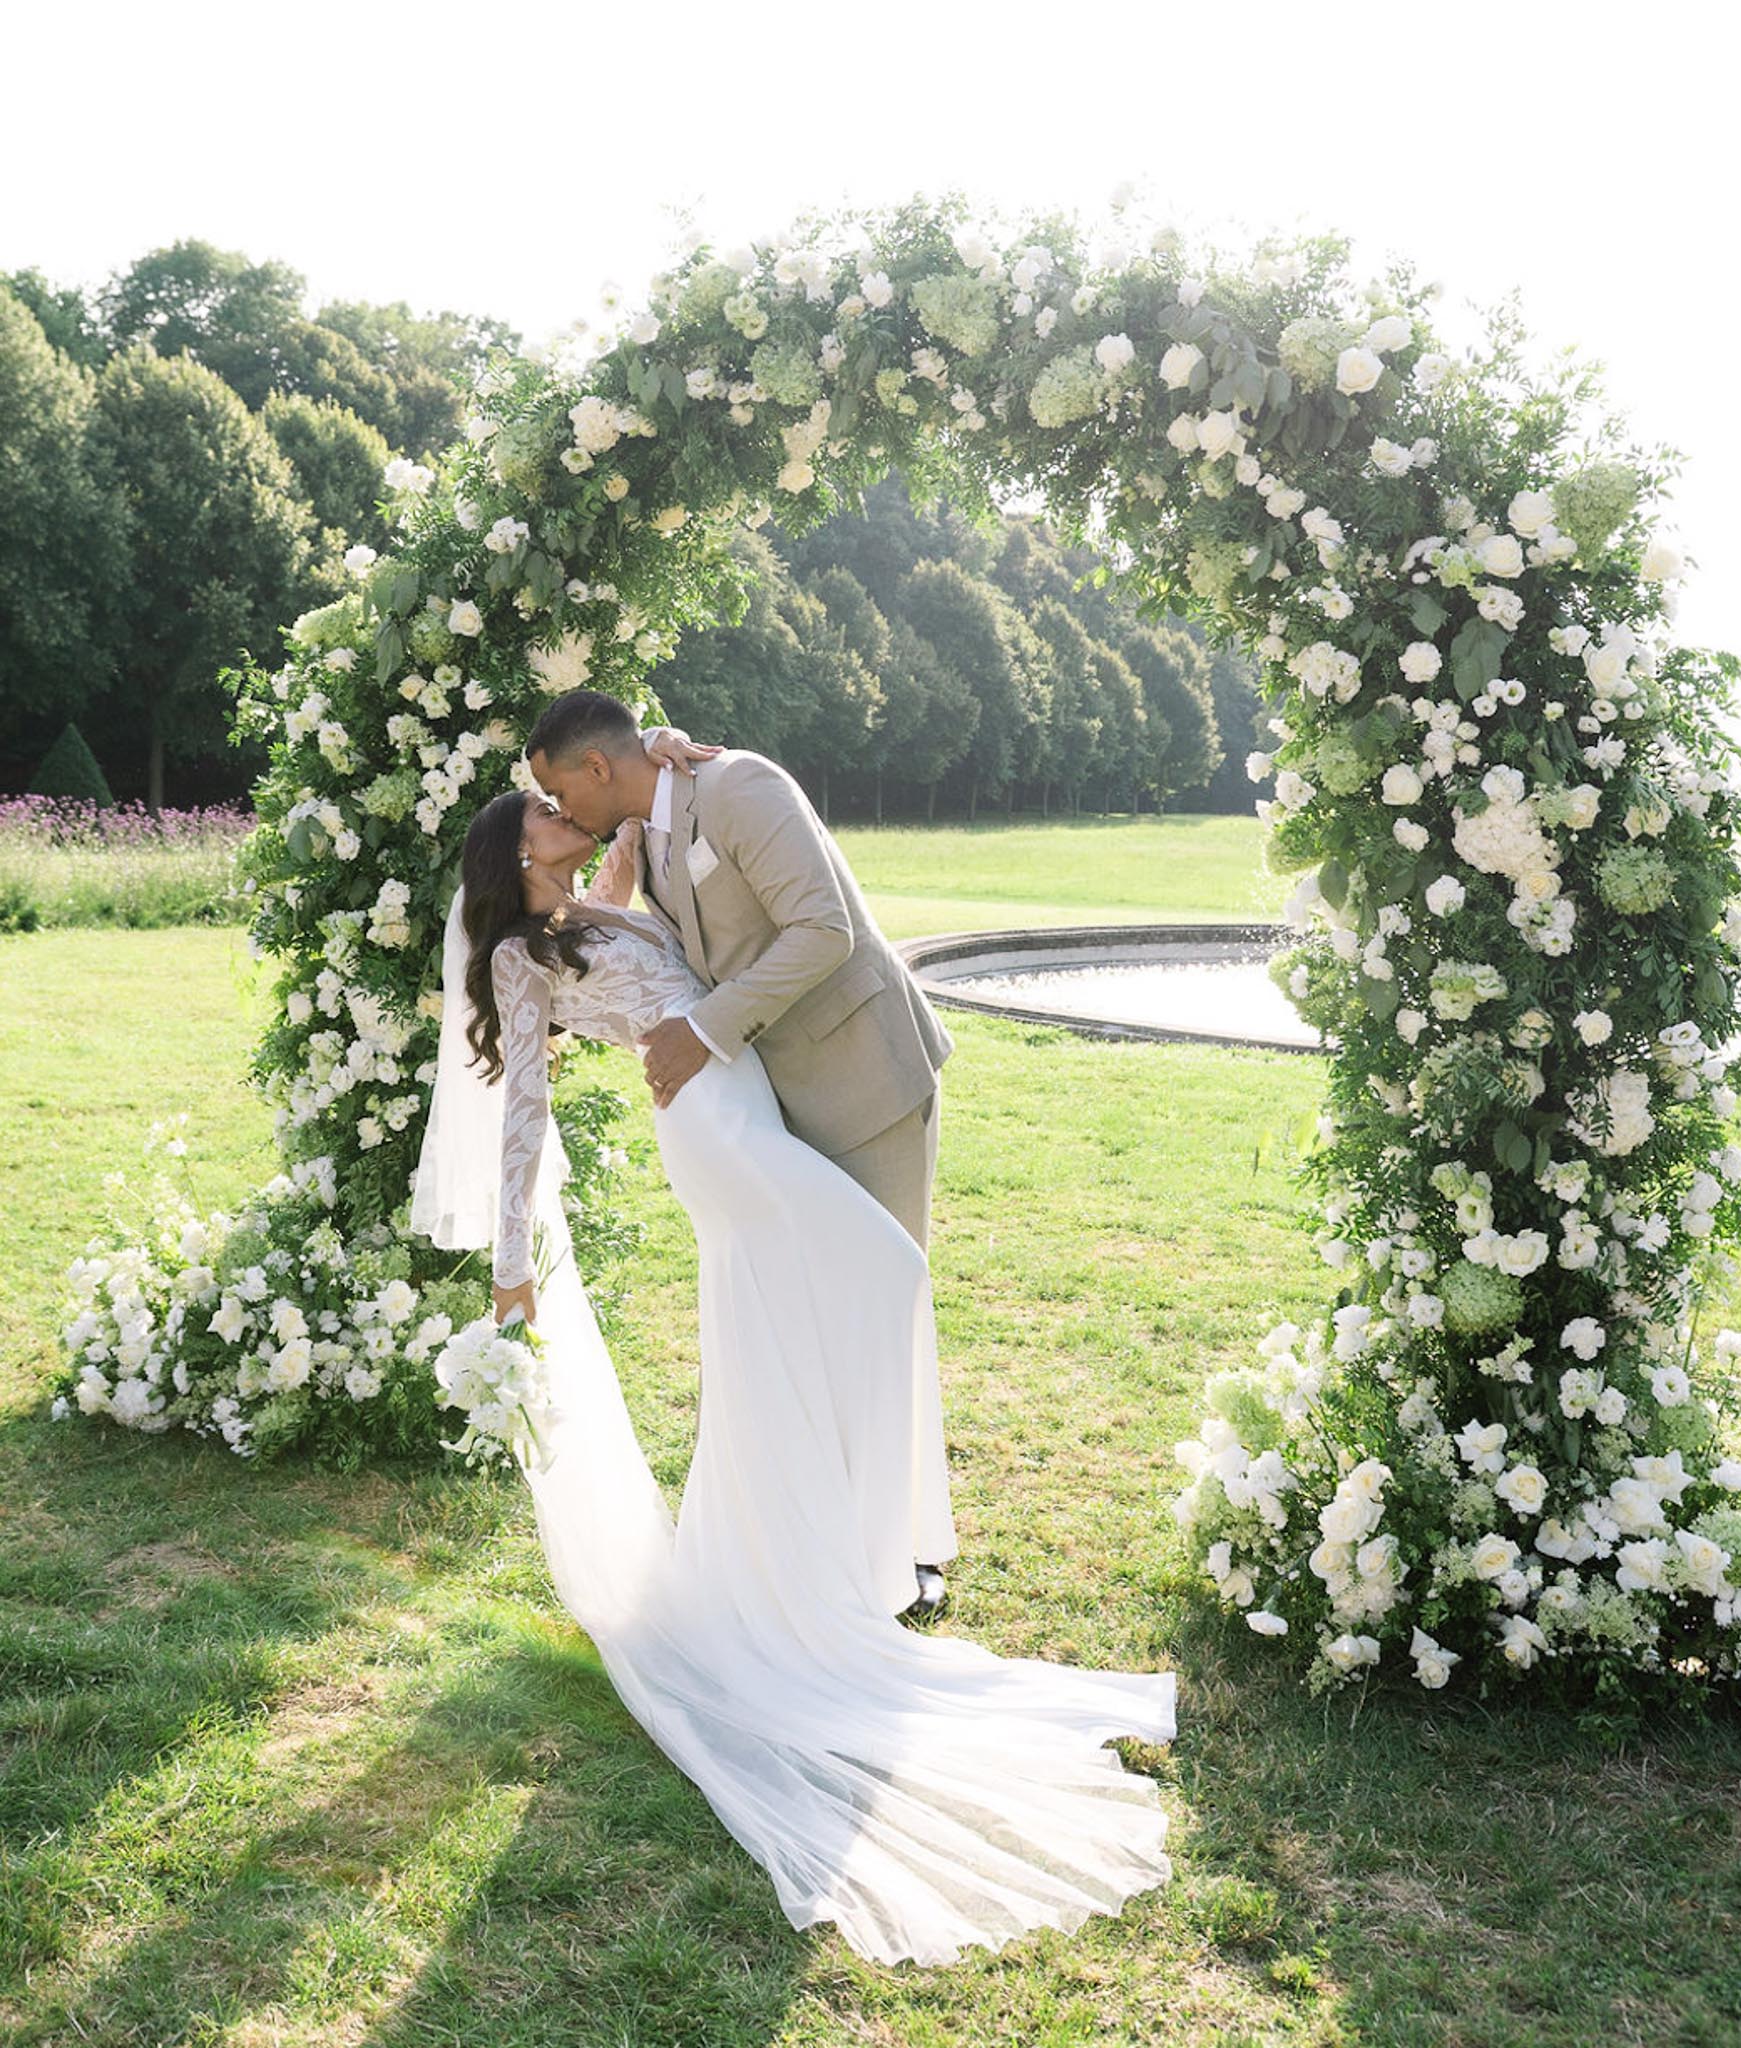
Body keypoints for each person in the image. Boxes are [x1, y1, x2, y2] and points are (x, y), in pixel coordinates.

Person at [409, 781, 1179, 1969]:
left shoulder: (592, 907)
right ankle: (809, 1569)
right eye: (549, 814)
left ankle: (798, 1549)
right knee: (882, 1264)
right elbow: (521, 1103)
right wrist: (513, 1267)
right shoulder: (518, 954)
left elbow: (634, 844)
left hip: (745, 1108)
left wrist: (661, 766)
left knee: (796, 1326)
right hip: (716, 1129)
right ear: (518, 848)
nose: (573, 815)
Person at [523, 689, 956, 1620]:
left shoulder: (743, 789)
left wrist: (703, 1032)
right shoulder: (652, 824)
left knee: (878, 1300)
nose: (564, 815)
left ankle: (907, 1551)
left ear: (598, 766)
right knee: (812, 1320)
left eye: (561, 792)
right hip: (768, 1104)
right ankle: (835, 1533)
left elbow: (823, 930)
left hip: (863, 1077)